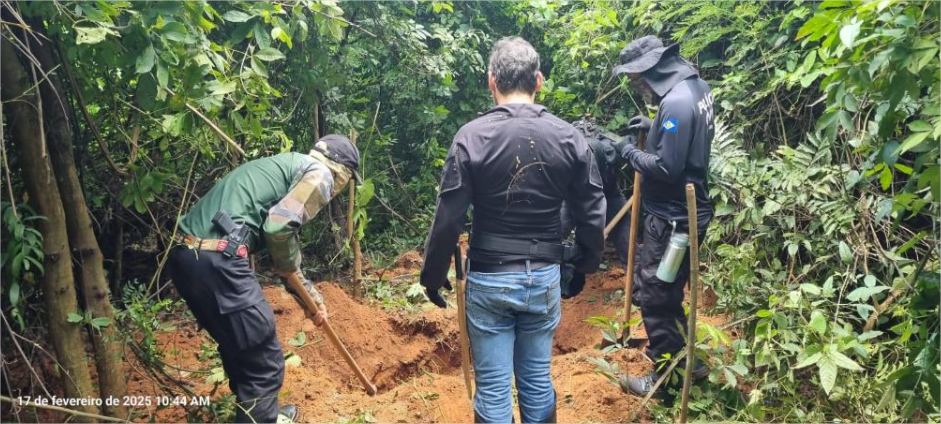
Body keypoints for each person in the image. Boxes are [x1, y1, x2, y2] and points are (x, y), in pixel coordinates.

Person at [420, 36, 606, 423]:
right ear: (538, 80)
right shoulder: (569, 137)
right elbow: (591, 209)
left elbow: (449, 218)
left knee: (492, 386)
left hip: (490, 277)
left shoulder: (471, 137)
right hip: (543, 277)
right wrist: (583, 266)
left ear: (492, 81)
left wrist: (433, 276)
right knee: (537, 381)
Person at [167, 135, 360, 423]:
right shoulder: (319, 174)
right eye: (345, 182)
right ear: (341, 173)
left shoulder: (287, 165)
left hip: (187, 258)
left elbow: (275, 235)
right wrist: (303, 285)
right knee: (263, 358)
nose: (339, 189)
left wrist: (307, 297)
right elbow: (279, 228)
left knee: (239, 346)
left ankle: (258, 416)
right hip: (218, 259)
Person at [609, 35, 715, 396]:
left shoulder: (676, 104)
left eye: (637, 80)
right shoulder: (695, 88)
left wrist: (627, 152)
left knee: (655, 293)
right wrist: (651, 127)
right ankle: (689, 364)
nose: (637, 87)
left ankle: (666, 380)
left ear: (650, 72)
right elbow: (680, 138)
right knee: (668, 291)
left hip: (673, 222)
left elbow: (667, 168)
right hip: (689, 211)